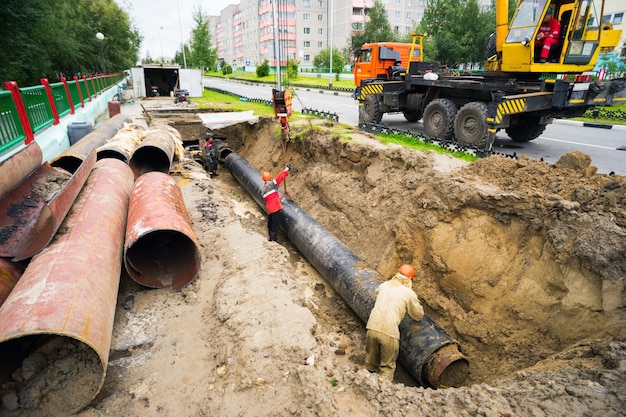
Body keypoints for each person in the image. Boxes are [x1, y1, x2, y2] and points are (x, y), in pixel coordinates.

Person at [365, 264, 424, 381]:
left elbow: (376, 296)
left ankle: (365, 381)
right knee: (387, 367)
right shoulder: (408, 293)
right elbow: (418, 314)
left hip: (371, 328)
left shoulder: (384, 285)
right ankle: (383, 390)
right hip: (389, 333)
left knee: (370, 362)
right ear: (410, 280)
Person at [261, 164, 291, 241]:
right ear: (269, 178)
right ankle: (273, 239)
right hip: (275, 207)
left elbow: (270, 197)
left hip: (269, 208)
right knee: (275, 223)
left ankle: (270, 237)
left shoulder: (263, 189)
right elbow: (279, 178)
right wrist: (286, 169)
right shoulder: (271, 185)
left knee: (271, 222)